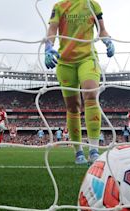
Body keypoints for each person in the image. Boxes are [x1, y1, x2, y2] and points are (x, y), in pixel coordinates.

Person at [46, 0, 114, 165]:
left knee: (91, 94)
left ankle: (94, 150)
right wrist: (48, 47)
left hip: (87, 58)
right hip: (65, 62)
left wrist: (108, 40)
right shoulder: (59, 6)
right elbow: (52, 29)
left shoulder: (93, 5)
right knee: (73, 106)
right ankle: (78, 152)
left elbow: (102, 30)